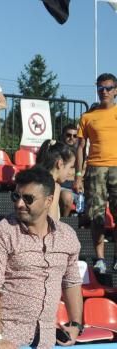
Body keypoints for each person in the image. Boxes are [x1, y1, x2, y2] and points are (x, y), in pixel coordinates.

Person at [0, 167, 83, 349]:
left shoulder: (67, 235)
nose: (19, 204)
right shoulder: (2, 233)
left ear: (49, 201)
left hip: (48, 343)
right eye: (16, 196)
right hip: (8, 346)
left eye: (28, 199)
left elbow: (72, 282)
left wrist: (76, 325)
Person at [74, 72, 117, 274]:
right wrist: (77, 175)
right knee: (97, 216)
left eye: (108, 88)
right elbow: (80, 147)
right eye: (101, 88)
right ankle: (100, 259)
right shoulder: (88, 117)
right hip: (95, 168)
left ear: (115, 90)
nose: (104, 91)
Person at [36, 139, 76, 220]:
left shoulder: (34, 181)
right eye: (70, 167)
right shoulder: (54, 187)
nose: (70, 172)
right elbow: (52, 222)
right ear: (60, 164)